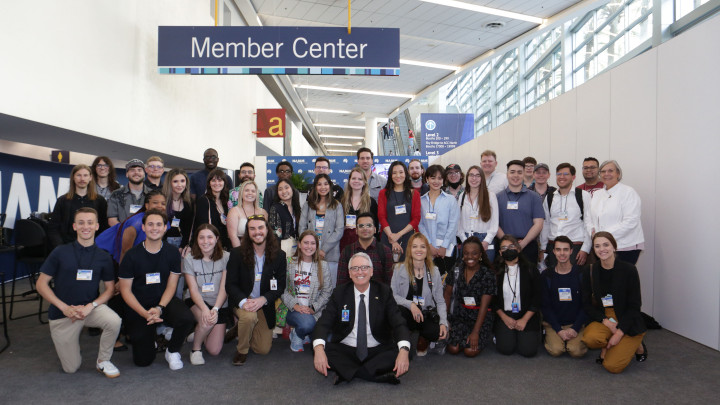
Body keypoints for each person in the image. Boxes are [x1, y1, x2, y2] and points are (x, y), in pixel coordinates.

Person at [36, 207, 121, 377]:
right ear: (74, 226)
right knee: (71, 368)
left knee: (114, 321)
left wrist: (91, 306)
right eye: (81, 223)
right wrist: (64, 308)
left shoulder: (103, 256)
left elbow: (110, 289)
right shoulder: (60, 252)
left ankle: (103, 360)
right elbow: (41, 284)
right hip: (63, 314)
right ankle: (71, 345)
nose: (86, 227)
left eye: (90, 222)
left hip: (89, 309)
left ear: (97, 226)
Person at [312, 252, 411, 385]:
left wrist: (404, 351)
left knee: (406, 351)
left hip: (376, 348)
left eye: (364, 268)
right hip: (347, 349)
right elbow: (323, 323)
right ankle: (374, 375)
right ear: (349, 273)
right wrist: (318, 350)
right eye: (355, 268)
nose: (360, 272)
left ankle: (347, 373)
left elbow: (399, 323)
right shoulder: (340, 292)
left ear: (371, 271)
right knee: (318, 348)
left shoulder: (384, 291)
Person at [118, 209, 195, 369]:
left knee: (187, 318)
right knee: (143, 361)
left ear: (165, 227)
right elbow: (125, 291)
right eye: (150, 224)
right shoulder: (131, 256)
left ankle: (172, 351)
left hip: (163, 301)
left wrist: (160, 308)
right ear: (143, 228)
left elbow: (172, 285)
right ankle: (149, 338)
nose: (155, 228)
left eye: (159, 224)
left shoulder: (172, 253)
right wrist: (143, 313)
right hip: (139, 305)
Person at [581, 232, 647, 373]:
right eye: (597, 246)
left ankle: (638, 344)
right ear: (594, 249)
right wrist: (606, 321)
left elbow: (635, 306)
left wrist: (619, 333)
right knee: (590, 339)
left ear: (614, 247)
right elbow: (586, 304)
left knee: (612, 366)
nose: (602, 249)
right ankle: (608, 344)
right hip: (606, 317)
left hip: (627, 319)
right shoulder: (590, 271)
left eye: (606, 244)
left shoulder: (629, 270)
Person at [225, 215, 287, 365]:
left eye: (260, 228)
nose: (257, 232)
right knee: (249, 317)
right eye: (252, 228)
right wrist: (243, 302)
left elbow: (280, 286)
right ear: (247, 232)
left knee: (262, 350)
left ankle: (240, 329)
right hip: (243, 300)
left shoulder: (279, 256)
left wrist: (263, 299)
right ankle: (242, 350)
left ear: (267, 230)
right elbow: (230, 284)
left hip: (263, 304)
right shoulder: (236, 253)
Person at [391, 233, 447, 357]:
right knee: (398, 313)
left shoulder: (435, 271)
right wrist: (410, 304)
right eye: (414, 246)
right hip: (406, 312)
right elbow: (392, 295)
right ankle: (405, 335)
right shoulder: (398, 269)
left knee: (436, 332)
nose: (419, 250)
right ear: (409, 250)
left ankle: (423, 336)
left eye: (422, 247)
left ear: (427, 250)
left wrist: (443, 322)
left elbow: (440, 301)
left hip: (425, 313)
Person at [182, 224, 230, 365]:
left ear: (216, 239)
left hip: (219, 302)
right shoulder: (189, 259)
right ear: (196, 240)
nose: (205, 241)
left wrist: (215, 309)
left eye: (210, 237)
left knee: (214, 350)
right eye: (201, 237)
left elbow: (224, 288)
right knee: (208, 321)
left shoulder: (226, 257)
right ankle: (196, 350)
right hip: (197, 301)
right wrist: (204, 309)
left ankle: (199, 332)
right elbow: (193, 290)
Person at [443, 236, 496, 357]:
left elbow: (484, 306)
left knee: (469, 351)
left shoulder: (487, 274)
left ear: (480, 255)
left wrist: (475, 332)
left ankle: (477, 336)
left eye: (474, 253)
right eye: (466, 253)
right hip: (460, 315)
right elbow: (447, 294)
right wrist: (445, 320)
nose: (470, 257)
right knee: (453, 349)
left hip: (480, 317)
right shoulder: (457, 270)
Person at [282, 230, 333, 352]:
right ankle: (297, 334)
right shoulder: (289, 263)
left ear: (316, 246)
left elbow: (327, 291)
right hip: (293, 309)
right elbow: (281, 289)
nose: (309, 247)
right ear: (299, 244)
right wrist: (296, 305)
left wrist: (313, 308)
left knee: (329, 338)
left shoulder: (323, 265)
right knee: (307, 324)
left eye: (312, 243)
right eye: (305, 243)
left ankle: (306, 333)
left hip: (316, 310)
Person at [492, 235, 542, 357]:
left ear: (518, 249)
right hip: (505, 315)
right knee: (506, 349)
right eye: (503, 248)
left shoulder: (531, 269)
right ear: (499, 252)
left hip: (526, 314)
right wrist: (504, 318)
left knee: (528, 351)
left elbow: (538, 297)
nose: (507, 250)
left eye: (511, 246)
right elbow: (492, 299)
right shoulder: (494, 272)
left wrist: (524, 319)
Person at [588, 160, 644, 265]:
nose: (606, 174)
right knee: (605, 280)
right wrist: (592, 233)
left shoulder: (628, 192)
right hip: (601, 248)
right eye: (603, 171)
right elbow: (589, 218)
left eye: (610, 171)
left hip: (624, 247)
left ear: (618, 173)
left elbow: (631, 221)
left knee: (622, 280)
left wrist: (604, 237)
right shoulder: (597, 194)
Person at [540, 236, 588, 358]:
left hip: (576, 323)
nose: (562, 253)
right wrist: (558, 329)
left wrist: (575, 328)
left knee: (575, 351)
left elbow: (586, 305)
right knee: (556, 350)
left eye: (565, 249)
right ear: (554, 251)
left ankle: (571, 338)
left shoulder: (581, 274)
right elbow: (545, 306)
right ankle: (554, 336)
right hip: (554, 323)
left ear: (571, 251)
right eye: (558, 249)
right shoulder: (547, 275)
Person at [540, 163, 592, 267]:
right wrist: (543, 248)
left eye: (565, 174)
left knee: (575, 280)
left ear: (573, 177)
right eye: (559, 174)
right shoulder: (550, 197)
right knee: (554, 279)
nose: (562, 177)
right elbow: (546, 224)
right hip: (553, 246)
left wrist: (585, 249)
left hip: (575, 247)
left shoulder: (583, 195)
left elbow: (589, 223)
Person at [299, 174, 345, 287]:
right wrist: (309, 248)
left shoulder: (337, 205)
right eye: (319, 184)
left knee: (330, 287)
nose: (322, 187)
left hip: (330, 253)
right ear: (315, 187)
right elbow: (301, 228)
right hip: (309, 252)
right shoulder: (308, 205)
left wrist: (323, 250)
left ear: (330, 186)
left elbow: (339, 230)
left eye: (325, 184)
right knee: (310, 287)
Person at [496, 160, 545, 265]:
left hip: (528, 246)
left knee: (528, 279)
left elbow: (539, 223)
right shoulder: (497, 197)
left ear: (524, 174)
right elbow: (494, 224)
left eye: (519, 172)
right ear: (507, 174)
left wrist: (522, 244)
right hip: (504, 247)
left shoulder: (534, 197)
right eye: (512, 172)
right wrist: (508, 245)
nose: (516, 175)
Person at [49, 164, 109, 247]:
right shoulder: (62, 201)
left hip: (94, 248)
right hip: (67, 247)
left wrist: (99, 247)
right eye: (79, 175)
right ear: (73, 177)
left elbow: (105, 227)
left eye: (85, 175)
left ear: (90, 178)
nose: (82, 179)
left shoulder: (100, 201)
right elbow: (53, 228)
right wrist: (61, 248)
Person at [419, 165, 459, 275]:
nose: (436, 181)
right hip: (428, 247)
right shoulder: (421, 201)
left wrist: (444, 246)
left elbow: (453, 225)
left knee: (447, 281)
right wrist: (429, 245)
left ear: (443, 180)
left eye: (440, 178)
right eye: (433, 178)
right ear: (427, 179)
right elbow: (420, 224)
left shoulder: (450, 200)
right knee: (429, 279)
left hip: (447, 248)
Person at [378, 161, 421, 262]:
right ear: (390, 175)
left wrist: (398, 235)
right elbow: (381, 217)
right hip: (387, 237)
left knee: (406, 272)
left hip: (408, 238)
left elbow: (416, 219)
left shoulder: (414, 194)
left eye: (401, 172)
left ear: (406, 174)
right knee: (388, 271)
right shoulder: (383, 193)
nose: (398, 175)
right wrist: (392, 238)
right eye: (394, 173)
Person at [337, 213, 394, 286]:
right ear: (356, 230)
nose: (365, 228)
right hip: (352, 296)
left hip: (379, 295)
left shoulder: (385, 251)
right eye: (361, 226)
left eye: (369, 225)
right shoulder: (347, 251)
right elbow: (341, 283)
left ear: (375, 229)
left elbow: (389, 283)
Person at [456, 165, 499, 262]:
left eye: (477, 175)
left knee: (486, 272)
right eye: (471, 175)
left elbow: (494, 223)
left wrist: (486, 241)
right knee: (467, 273)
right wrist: (464, 240)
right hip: (466, 238)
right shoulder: (462, 196)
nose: (474, 178)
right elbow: (458, 222)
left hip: (486, 239)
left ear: (482, 178)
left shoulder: (490, 196)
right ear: (467, 177)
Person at [119, 190, 167, 263]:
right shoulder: (135, 224)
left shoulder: (165, 222)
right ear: (147, 205)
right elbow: (125, 252)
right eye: (155, 203)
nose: (160, 206)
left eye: (163, 203)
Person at [339, 167, 379, 252]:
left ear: (364, 182)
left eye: (360, 179)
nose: (356, 181)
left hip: (365, 243)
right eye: (353, 178)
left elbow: (376, 227)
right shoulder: (341, 201)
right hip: (345, 244)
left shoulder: (371, 202)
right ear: (349, 181)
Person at [194, 168, 231, 249]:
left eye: (220, 180)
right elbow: (202, 226)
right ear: (209, 183)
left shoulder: (226, 201)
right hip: (210, 245)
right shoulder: (203, 201)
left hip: (225, 245)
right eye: (213, 180)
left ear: (224, 183)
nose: (217, 183)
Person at [107, 159, 151, 226]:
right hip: (123, 234)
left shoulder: (152, 194)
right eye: (132, 170)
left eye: (139, 170)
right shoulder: (116, 194)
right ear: (127, 174)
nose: (136, 172)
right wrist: (125, 231)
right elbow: (112, 220)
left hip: (146, 235)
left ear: (144, 174)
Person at [227, 181, 268, 248]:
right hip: (241, 249)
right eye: (246, 190)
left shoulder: (263, 212)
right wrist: (240, 254)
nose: (250, 193)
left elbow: (266, 235)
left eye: (253, 191)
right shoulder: (234, 211)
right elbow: (233, 236)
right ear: (241, 193)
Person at [268, 178, 301, 256]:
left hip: (297, 248)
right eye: (280, 189)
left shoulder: (296, 207)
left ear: (292, 189)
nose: (284, 191)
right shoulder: (275, 208)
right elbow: (275, 235)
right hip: (282, 248)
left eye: (286, 187)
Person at [162, 168, 194, 250]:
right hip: (163, 244)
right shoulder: (162, 201)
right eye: (175, 181)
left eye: (182, 181)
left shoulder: (189, 202)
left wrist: (184, 246)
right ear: (169, 183)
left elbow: (188, 228)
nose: (180, 185)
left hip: (182, 245)